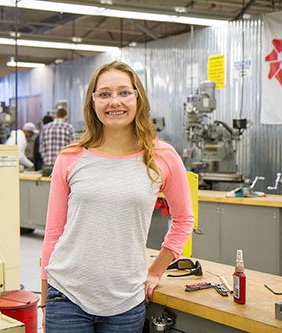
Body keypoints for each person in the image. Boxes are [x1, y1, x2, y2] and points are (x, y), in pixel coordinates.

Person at [40, 61, 194, 333]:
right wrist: (44, 300)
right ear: (93, 102)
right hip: (66, 297)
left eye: (124, 92)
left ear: (138, 98)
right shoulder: (70, 157)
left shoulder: (162, 157)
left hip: (126, 302)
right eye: (104, 94)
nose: (115, 102)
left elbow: (183, 220)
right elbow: (53, 234)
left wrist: (156, 270)